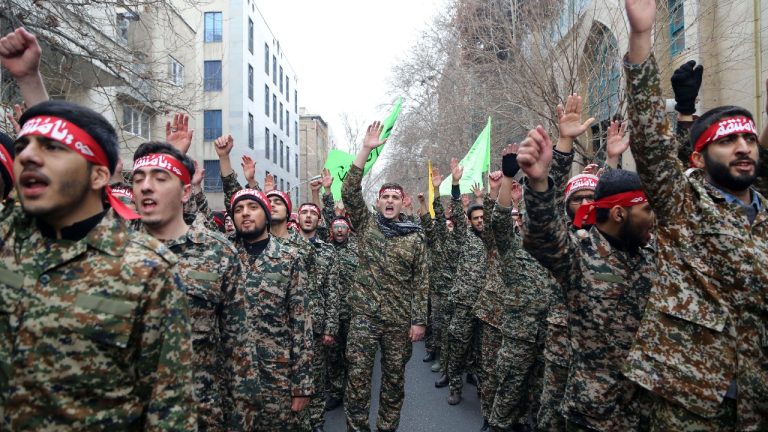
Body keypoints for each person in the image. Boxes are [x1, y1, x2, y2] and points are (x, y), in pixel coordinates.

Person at [0, 100, 196, 429]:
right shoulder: (8, 240)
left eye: (53, 147)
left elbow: (169, 407)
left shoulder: (147, 268)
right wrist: (29, 78)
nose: (29, 157)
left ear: (99, 176)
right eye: (22, 146)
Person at [622, 1, 768, 429]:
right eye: (727, 142)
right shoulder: (683, 203)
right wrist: (641, 38)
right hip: (693, 400)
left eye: (749, 139)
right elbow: (650, 140)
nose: (743, 148)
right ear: (699, 159)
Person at [519, 124, 657, 431]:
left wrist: (613, 160)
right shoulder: (579, 256)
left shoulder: (651, 256)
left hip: (646, 410)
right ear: (620, 214)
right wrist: (541, 181)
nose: (654, 218)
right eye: (647, 210)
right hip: (593, 413)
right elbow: (544, 234)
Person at [131, 141, 243, 431]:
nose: (145, 186)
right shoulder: (108, 250)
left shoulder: (219, 253)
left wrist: (242, 417)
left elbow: (238, 349)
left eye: (159, 177)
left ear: (185, 192)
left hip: (198, 413)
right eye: (138, 178)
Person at [342, 121, 428, 432]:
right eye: (384, 196)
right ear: (378, 202)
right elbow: (348, 191)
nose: (389, 200)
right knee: (358, 381)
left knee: (393, 382)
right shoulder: (366, 225)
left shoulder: (415, 238)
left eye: (395, 196)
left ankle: (386, 428)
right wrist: (366, 149)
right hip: (364, 318)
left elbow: (421, 282)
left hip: (398, 321)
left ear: (402, 202)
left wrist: (419, 320)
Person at [226, 188, 313, 431]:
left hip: (276, 376)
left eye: (253, 208)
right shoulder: (222, 254)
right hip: (231, 377)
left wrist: (303, 384)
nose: (245, 214)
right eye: (238, 210)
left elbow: (301, 323)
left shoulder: (289, 258)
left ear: (265, 214)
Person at [445, 158, 487, 406]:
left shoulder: (495, 240)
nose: (480, 221)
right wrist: (456, 184)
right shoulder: (465, 236)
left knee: (484, 352)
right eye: (476, 218)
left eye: (483, 217)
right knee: (458, 348)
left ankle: (483, 388)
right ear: (470, 222)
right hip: (464, 305)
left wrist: (484, 198)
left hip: (487, 307)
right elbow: (457, 216)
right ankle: (455, 387)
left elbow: (501, 216)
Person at [295, 201, 340, 432]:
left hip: (317, 324)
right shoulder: (285, 245)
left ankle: (317, 421)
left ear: (319, 220)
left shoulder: (328, 250)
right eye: (305, 213)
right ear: (298, 218)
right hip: (289, 326)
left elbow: (333, 290)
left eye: (313, 213)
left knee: (317, 376)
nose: (309, 217)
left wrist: (330, 328)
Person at [319, 170, 359, 412]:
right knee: (333, 356)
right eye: (337, 227)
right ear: (331, 232)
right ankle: (336, 390)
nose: (341, 230)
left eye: (344, 226)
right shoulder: (326, 248)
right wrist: (326, 192)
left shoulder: (358, 247)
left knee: (352, 355)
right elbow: (326, 216)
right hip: (333, 314)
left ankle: (354, 391)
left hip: (354, 312)